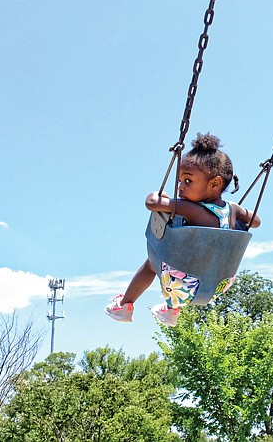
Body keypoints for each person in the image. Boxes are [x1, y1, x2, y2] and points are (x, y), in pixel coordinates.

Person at [105, 133, 261, 327]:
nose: (180, 188)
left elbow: (152, 202)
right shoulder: (233, 209)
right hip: (217, 284)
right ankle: (170, 310)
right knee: (186, 257)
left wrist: (157, 194)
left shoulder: (194, 210)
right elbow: (256, 221)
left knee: (153, 262)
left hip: (185, 283)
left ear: (214, 184)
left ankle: (124, 305)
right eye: (179, 181)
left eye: (188, 181)